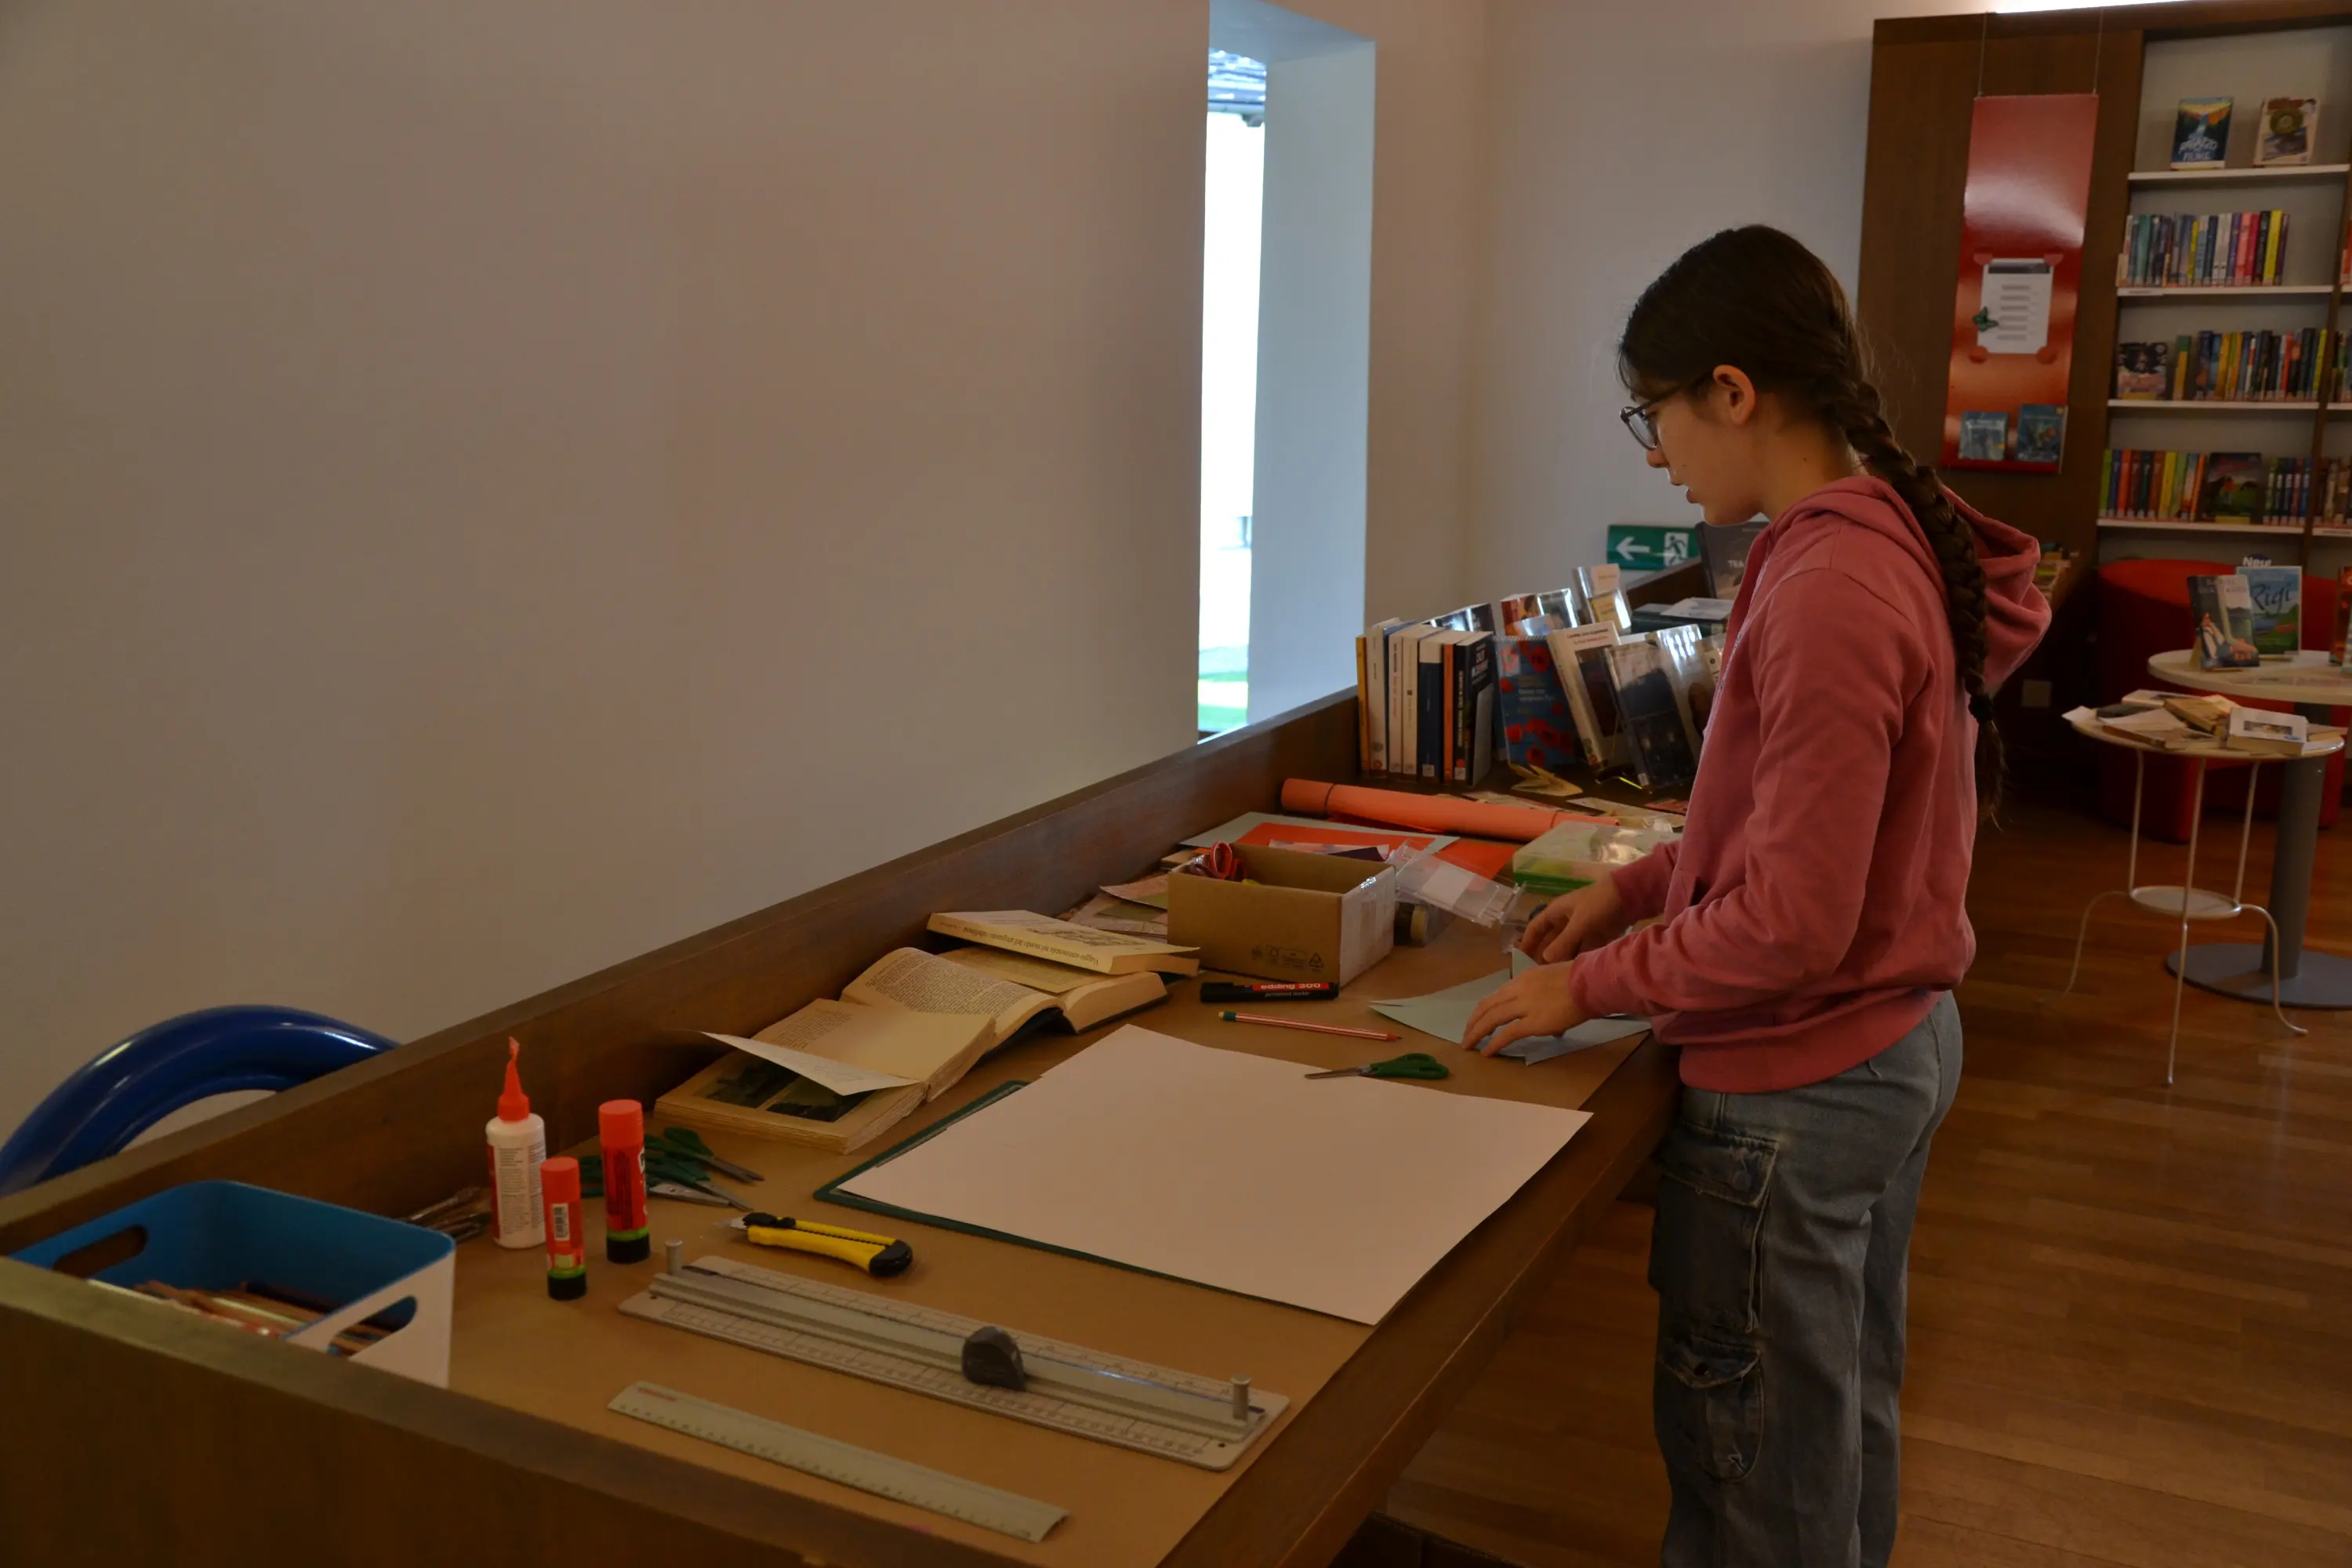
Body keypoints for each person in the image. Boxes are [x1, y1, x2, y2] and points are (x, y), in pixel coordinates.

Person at [1461, 226, 2051, 1568]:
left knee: (1753, 1474)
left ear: (1733, 391)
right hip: (1887, 1044)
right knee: (1827, 1423)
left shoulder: (1831, 585)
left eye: (1653, 414)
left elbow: (1792, 920)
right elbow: (1799, 821)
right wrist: (1643, 890)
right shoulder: (1860, 540)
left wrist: (1588, 989)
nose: (1656, 454)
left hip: (1803, 1086)